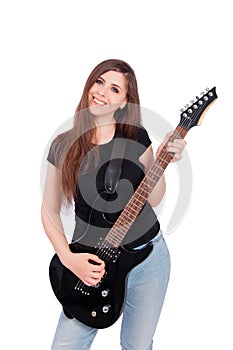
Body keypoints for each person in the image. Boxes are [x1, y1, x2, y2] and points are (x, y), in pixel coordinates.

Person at [41, 59, 187, 349]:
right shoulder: (63, 145)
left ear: (124, 102)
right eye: (99, 81)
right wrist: (69, 259)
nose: (102, 92)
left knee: (137, 345)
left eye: (114, 88)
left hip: (148, 258)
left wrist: (163, 158)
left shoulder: (136, 137)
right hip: (91, 262)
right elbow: (49, 211)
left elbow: (154, 197)